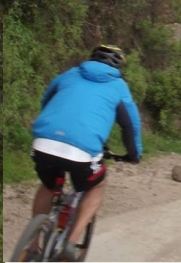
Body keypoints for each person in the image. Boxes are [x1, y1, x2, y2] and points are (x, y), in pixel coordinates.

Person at [29, 45, 143, 261]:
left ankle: (33, 247)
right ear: (118, 67)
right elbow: (130, 125)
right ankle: (71, 243)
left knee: (48, 184)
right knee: (96, 186)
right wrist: (134, 155)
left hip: (44, 142)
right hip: (82, 151)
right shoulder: (119, 86)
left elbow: (46, 100)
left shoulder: (70, 74)